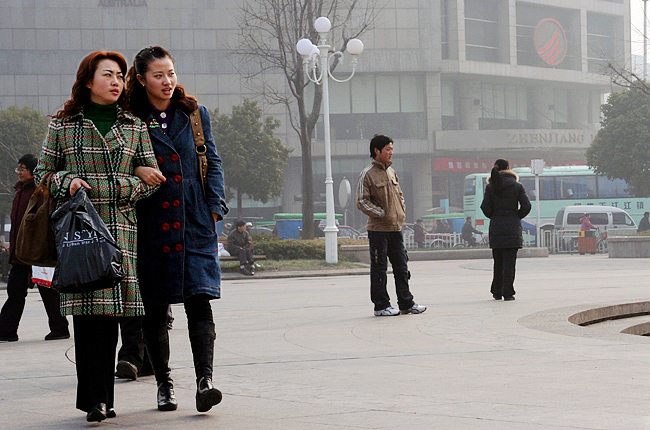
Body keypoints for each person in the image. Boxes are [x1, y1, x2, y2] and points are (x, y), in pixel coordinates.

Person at [34, 51, 160, 422]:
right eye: (108, 75)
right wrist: (66, 180)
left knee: (113, 317)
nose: (116, 82)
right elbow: (44, 172)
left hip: (121, 230)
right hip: (80, 233)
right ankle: (96, 400)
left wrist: (111, 190)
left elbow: (151, 179)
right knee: (89, 321)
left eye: (120, 76)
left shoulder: (135, 125)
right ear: (88, 81)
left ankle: (103, 395)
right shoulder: (63, 124)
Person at [126, 46, 228, 413]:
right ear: (141, 79)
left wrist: (214, 209)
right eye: (158, 75)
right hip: (151, 224)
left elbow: (212, 161)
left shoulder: (194, 113)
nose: (167, 81)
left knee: (199, 301)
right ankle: (164, 384)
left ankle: (205, 381)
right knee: (154, 309)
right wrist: (137, 170)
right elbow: (119, 164)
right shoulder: (131, 117)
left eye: (170, 73)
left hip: (195, 221)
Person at [0, 154, 69, 343]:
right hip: (21, 253)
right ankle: (8, 331)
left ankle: (59, 328)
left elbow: (41, 222)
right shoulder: (19, 191)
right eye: (18, 168)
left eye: (23, 168)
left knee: (45, 291)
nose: (19, 172)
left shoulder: (40, 192)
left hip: (36, 251)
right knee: (17, 291)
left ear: (33, 171)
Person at [356, 134, 426, 317]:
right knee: (379, 268)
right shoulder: (367, 174)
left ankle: (406, 303)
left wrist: (400, 213)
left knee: (401, 267)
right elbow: (362, 202)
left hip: (395, 228)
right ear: (376, 151)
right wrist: (383, 214)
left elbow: (399, 195)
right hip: (378, 230)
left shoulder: (391, 172)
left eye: (392, 149)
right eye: (387, 149)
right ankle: (381, 306)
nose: (390, 153)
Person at [480, 159, 531, 301]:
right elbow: (526, 206)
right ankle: (508, 292)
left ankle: (496, 291)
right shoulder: (517, 186)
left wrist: (495, 217)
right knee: (510, 262)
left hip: (496, 228)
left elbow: (484, 207)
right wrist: (516, 217)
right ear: (509, 168)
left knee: (498, 261)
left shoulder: (490, 187)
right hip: (512, 228)